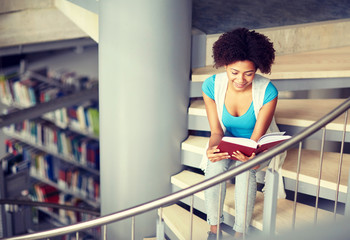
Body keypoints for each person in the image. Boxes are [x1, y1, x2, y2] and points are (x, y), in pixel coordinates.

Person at [201, 28, 286, 240]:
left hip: (256, 143)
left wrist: (253, 157)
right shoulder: (211, 86)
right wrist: (212, 149)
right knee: (214, 166)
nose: (241, 79)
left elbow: (255, 141)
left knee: (245, 169)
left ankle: (240, 234)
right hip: (228, 140)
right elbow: (216, 132)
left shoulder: (268, 92)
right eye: (234, 72)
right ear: (225, 66)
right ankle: (214, 231)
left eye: (249, 73)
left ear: (257, 68)